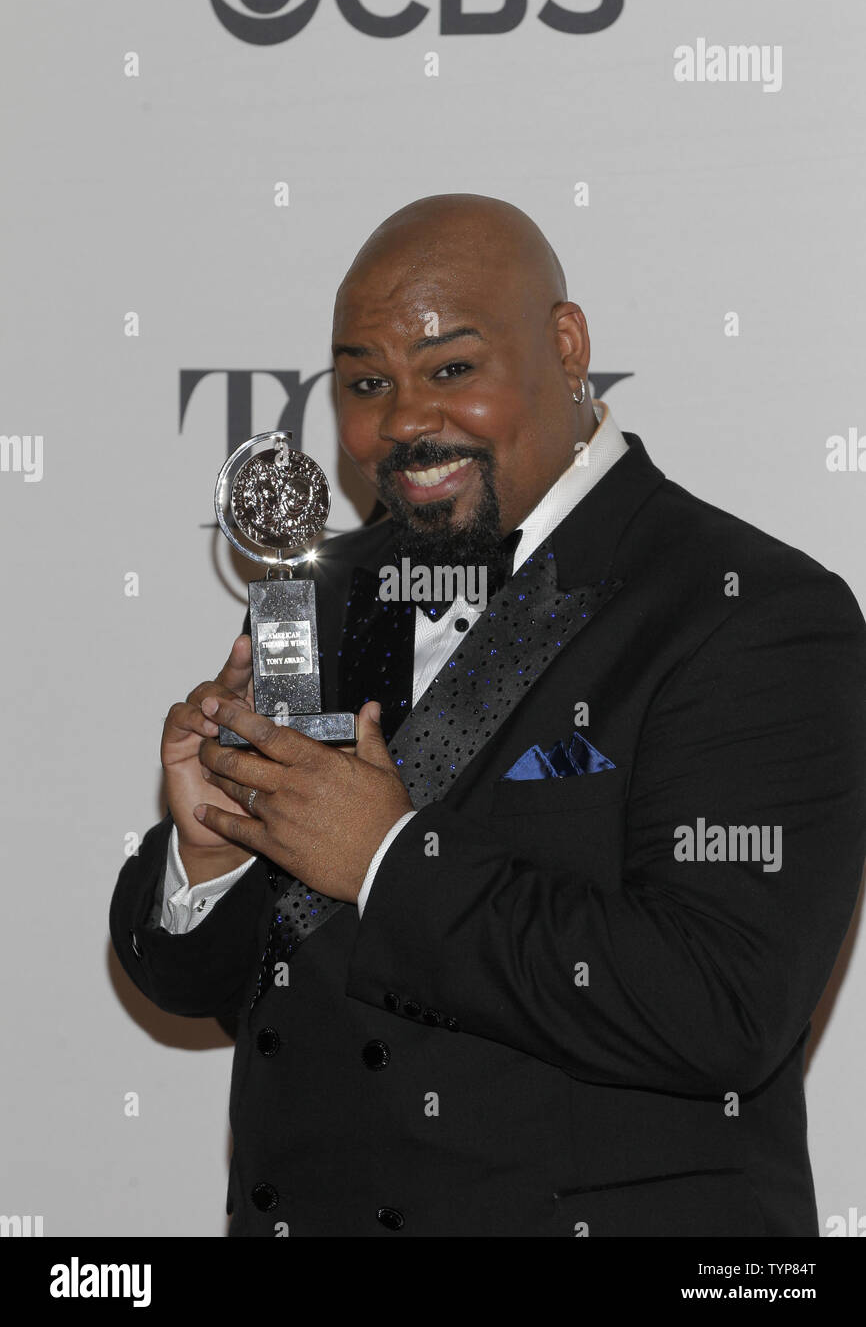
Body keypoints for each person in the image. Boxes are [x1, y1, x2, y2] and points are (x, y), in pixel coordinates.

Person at [110, 193, 866, 1237]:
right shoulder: (327, 595)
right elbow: (207, 980)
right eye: (366, 384)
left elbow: (722, 1006)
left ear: (565, 347)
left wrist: (386, 859)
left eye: (450, 369)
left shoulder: (744, 610)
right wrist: (212, 854)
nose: (405, 420)